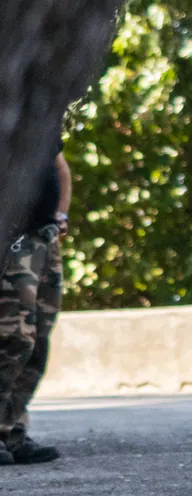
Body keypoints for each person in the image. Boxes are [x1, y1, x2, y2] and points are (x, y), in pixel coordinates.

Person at [0, 144, 68, 466]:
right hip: (11, 240)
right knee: (13, 338)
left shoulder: (39, 112)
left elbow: (60, 168)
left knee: (38, 340)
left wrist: (61, 216)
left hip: (44, 239)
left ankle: (12, 433)